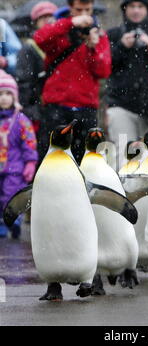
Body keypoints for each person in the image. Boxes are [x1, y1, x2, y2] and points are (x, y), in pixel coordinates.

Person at [33, 0, 111, 164]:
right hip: (56, 105)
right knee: (50, 160)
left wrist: (93, 48)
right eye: (78, 9)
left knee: (84, 161)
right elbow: (39, 38)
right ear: (70, 8)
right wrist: (71, 22)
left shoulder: (99, 35)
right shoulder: (61, 28)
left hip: (85, 107)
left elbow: (103, 71)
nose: (83, 14)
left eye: (87, 10)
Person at [105, 0, 148, 168]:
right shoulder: (113, 34)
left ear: (147, 10)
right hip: (121, 105)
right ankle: (125, 192)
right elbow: (104, 66)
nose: (136, 11)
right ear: (125, 9)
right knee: (124, 155)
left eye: (140, 7)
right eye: (132, 7)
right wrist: (121, 46)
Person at [16, 1, 58, 153]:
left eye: (51, 16)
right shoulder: (29, 48)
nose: (48, 20)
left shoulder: (61, 45)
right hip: (38, 110)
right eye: (43, 17)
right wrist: (30, 110)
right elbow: (24, 83)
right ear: (35, 22)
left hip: (57, 108)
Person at [0, 70, 38, 239]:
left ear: (14, 96)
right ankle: (2, 223)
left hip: (15, 168)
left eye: (8, 94)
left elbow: (29, 144)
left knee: (11, 196)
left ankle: (12, 221)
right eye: (0, 94)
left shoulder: (21, 120)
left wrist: (30, 163)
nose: (4, 98)